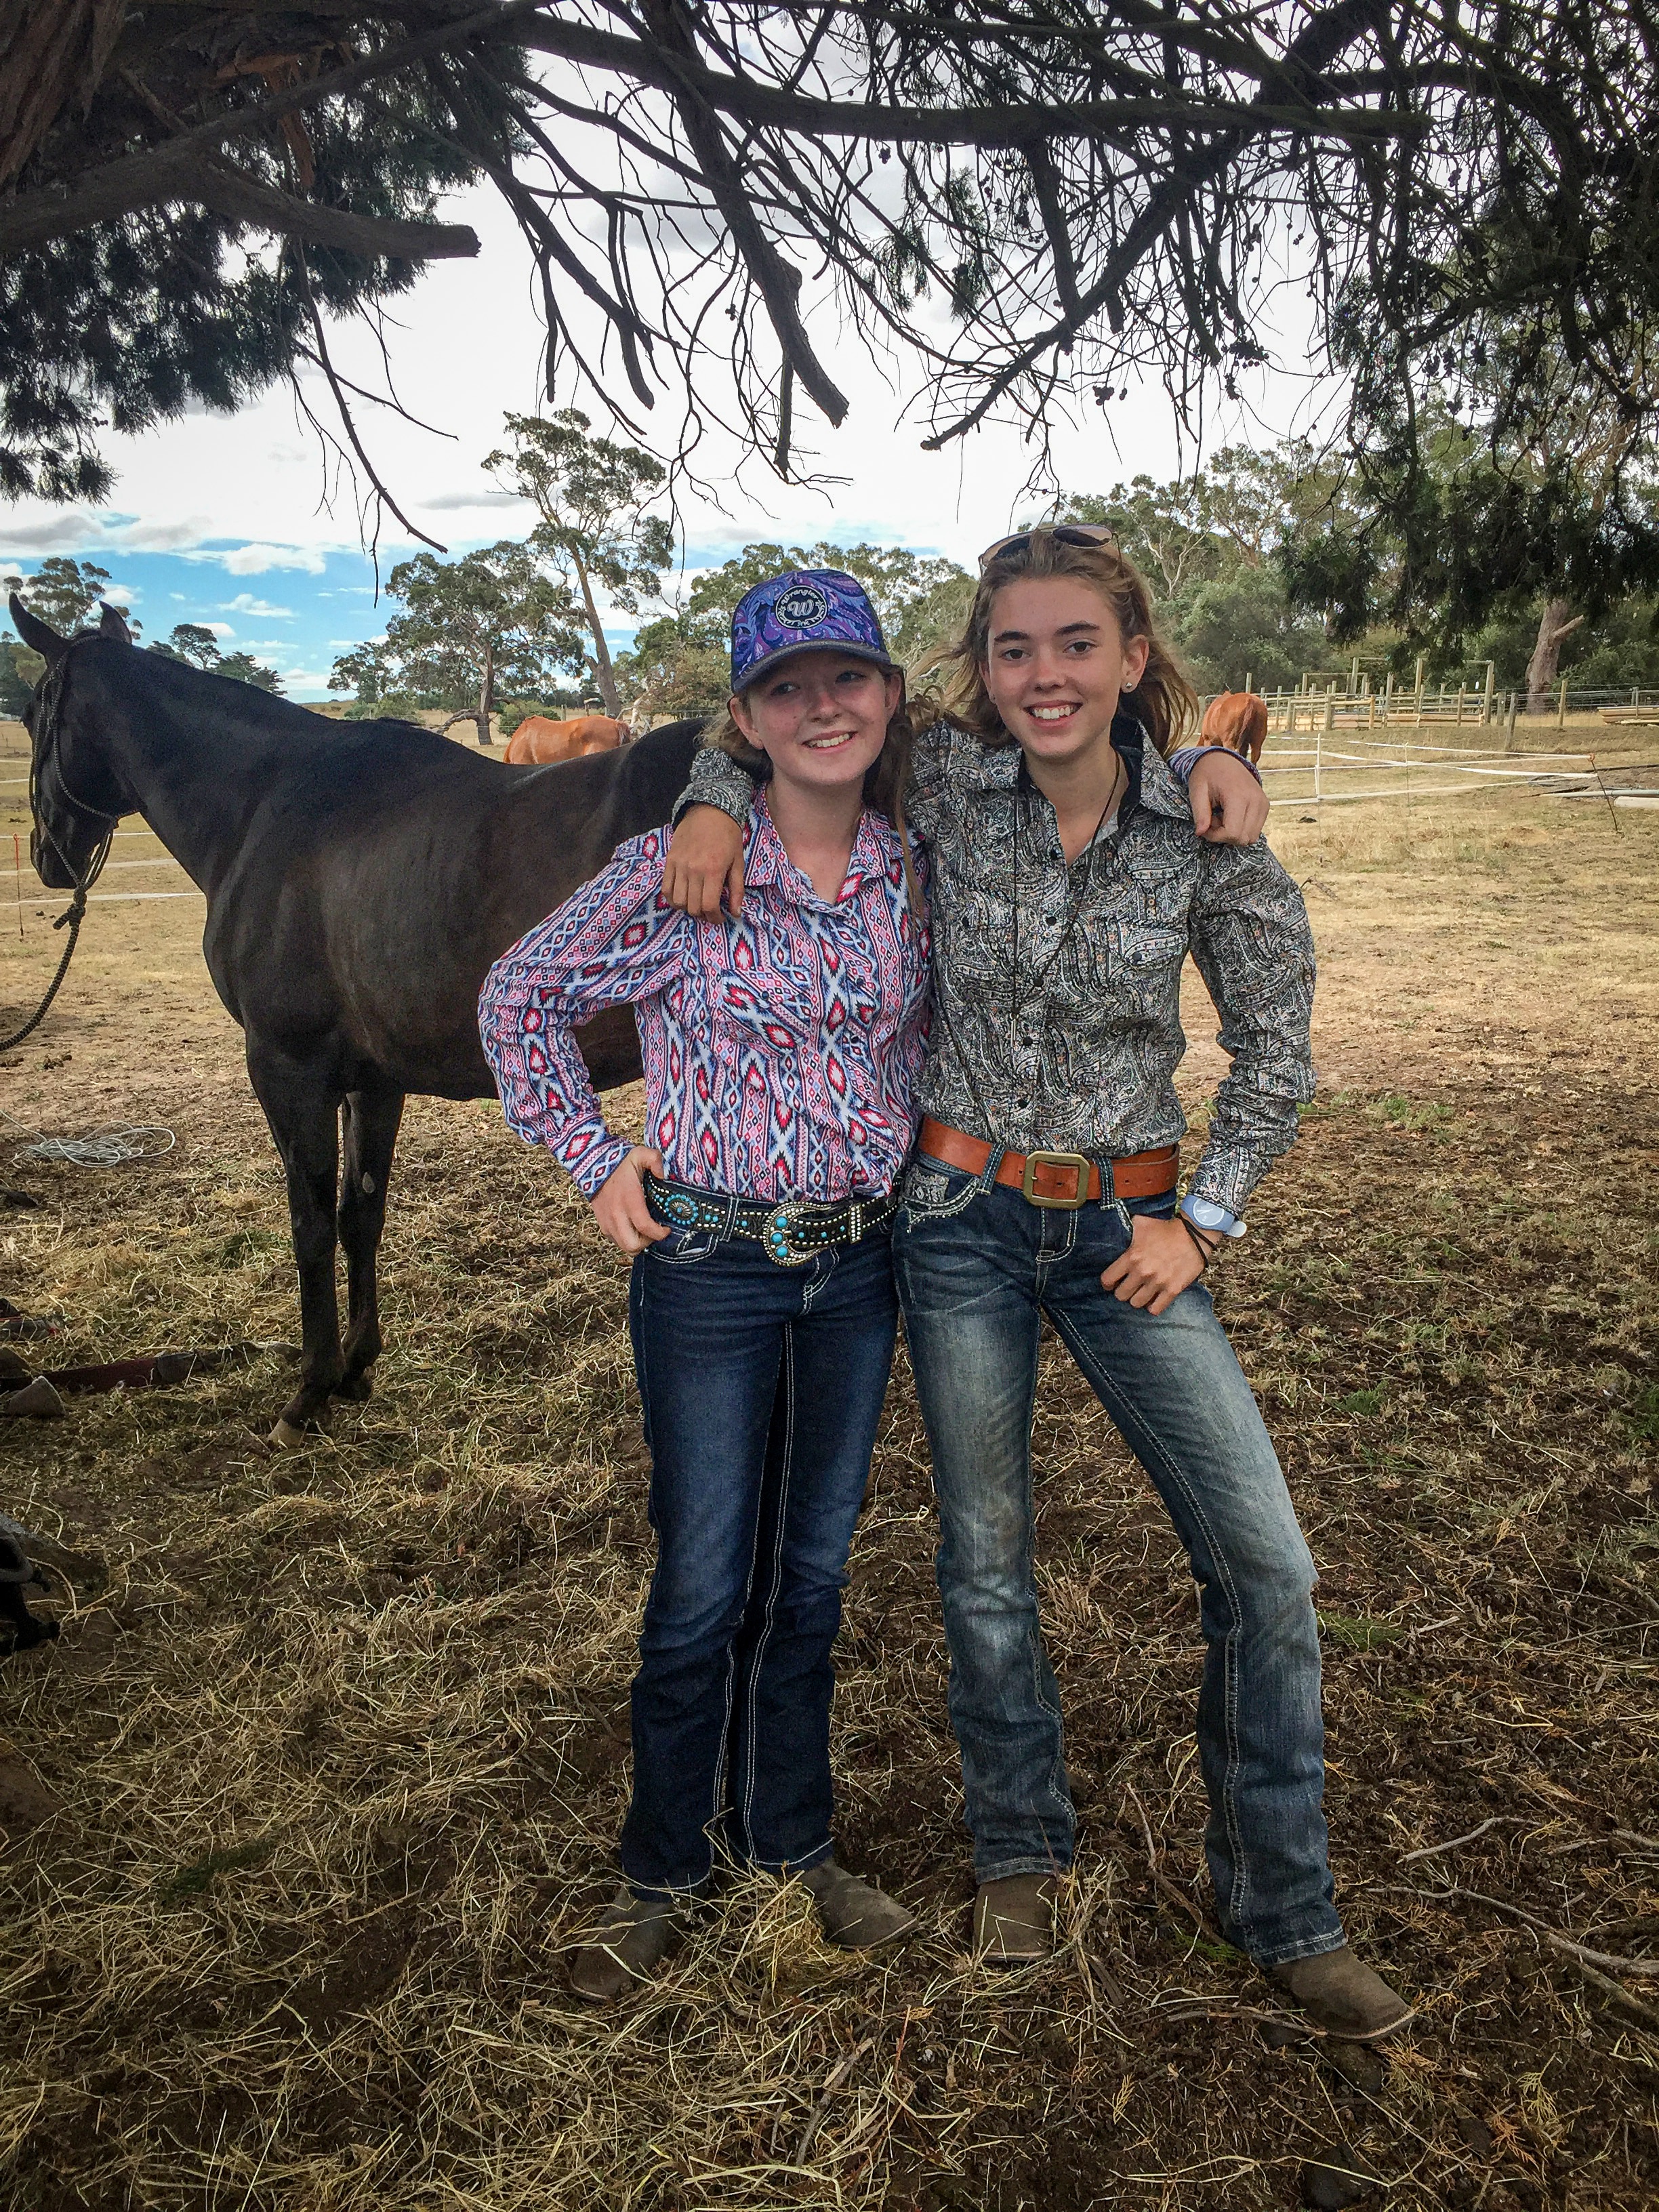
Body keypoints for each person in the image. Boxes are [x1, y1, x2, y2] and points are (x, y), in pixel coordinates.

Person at [662, 527, 1411, 2042]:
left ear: (1133, 654)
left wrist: (1205, 1216)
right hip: (956, 1223)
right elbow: (787, 729)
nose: (1045, 675)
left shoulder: (1211, 832)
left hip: (1135, 1235)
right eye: (1015, 650)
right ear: (981, 672)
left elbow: (1278, 1047)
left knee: (1267, 1568)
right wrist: (705, 796)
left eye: (1078, 644)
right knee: (985, 1562)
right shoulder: (940, 782)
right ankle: (1019, 1846)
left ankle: (1285, 1905)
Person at [478, 570, 929, 2002]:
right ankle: (662, 1867)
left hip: (858, 1268)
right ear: (745, 719)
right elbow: (518, 997)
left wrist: (1218, 759)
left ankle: (794, 1845)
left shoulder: (914, 872)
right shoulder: (679, 871)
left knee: (811, 1580)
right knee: (699, 1586)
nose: (823, 707)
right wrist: (586, 1156)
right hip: (711, 1272)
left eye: (845, 678)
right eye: (787, 687)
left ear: (888, 697)